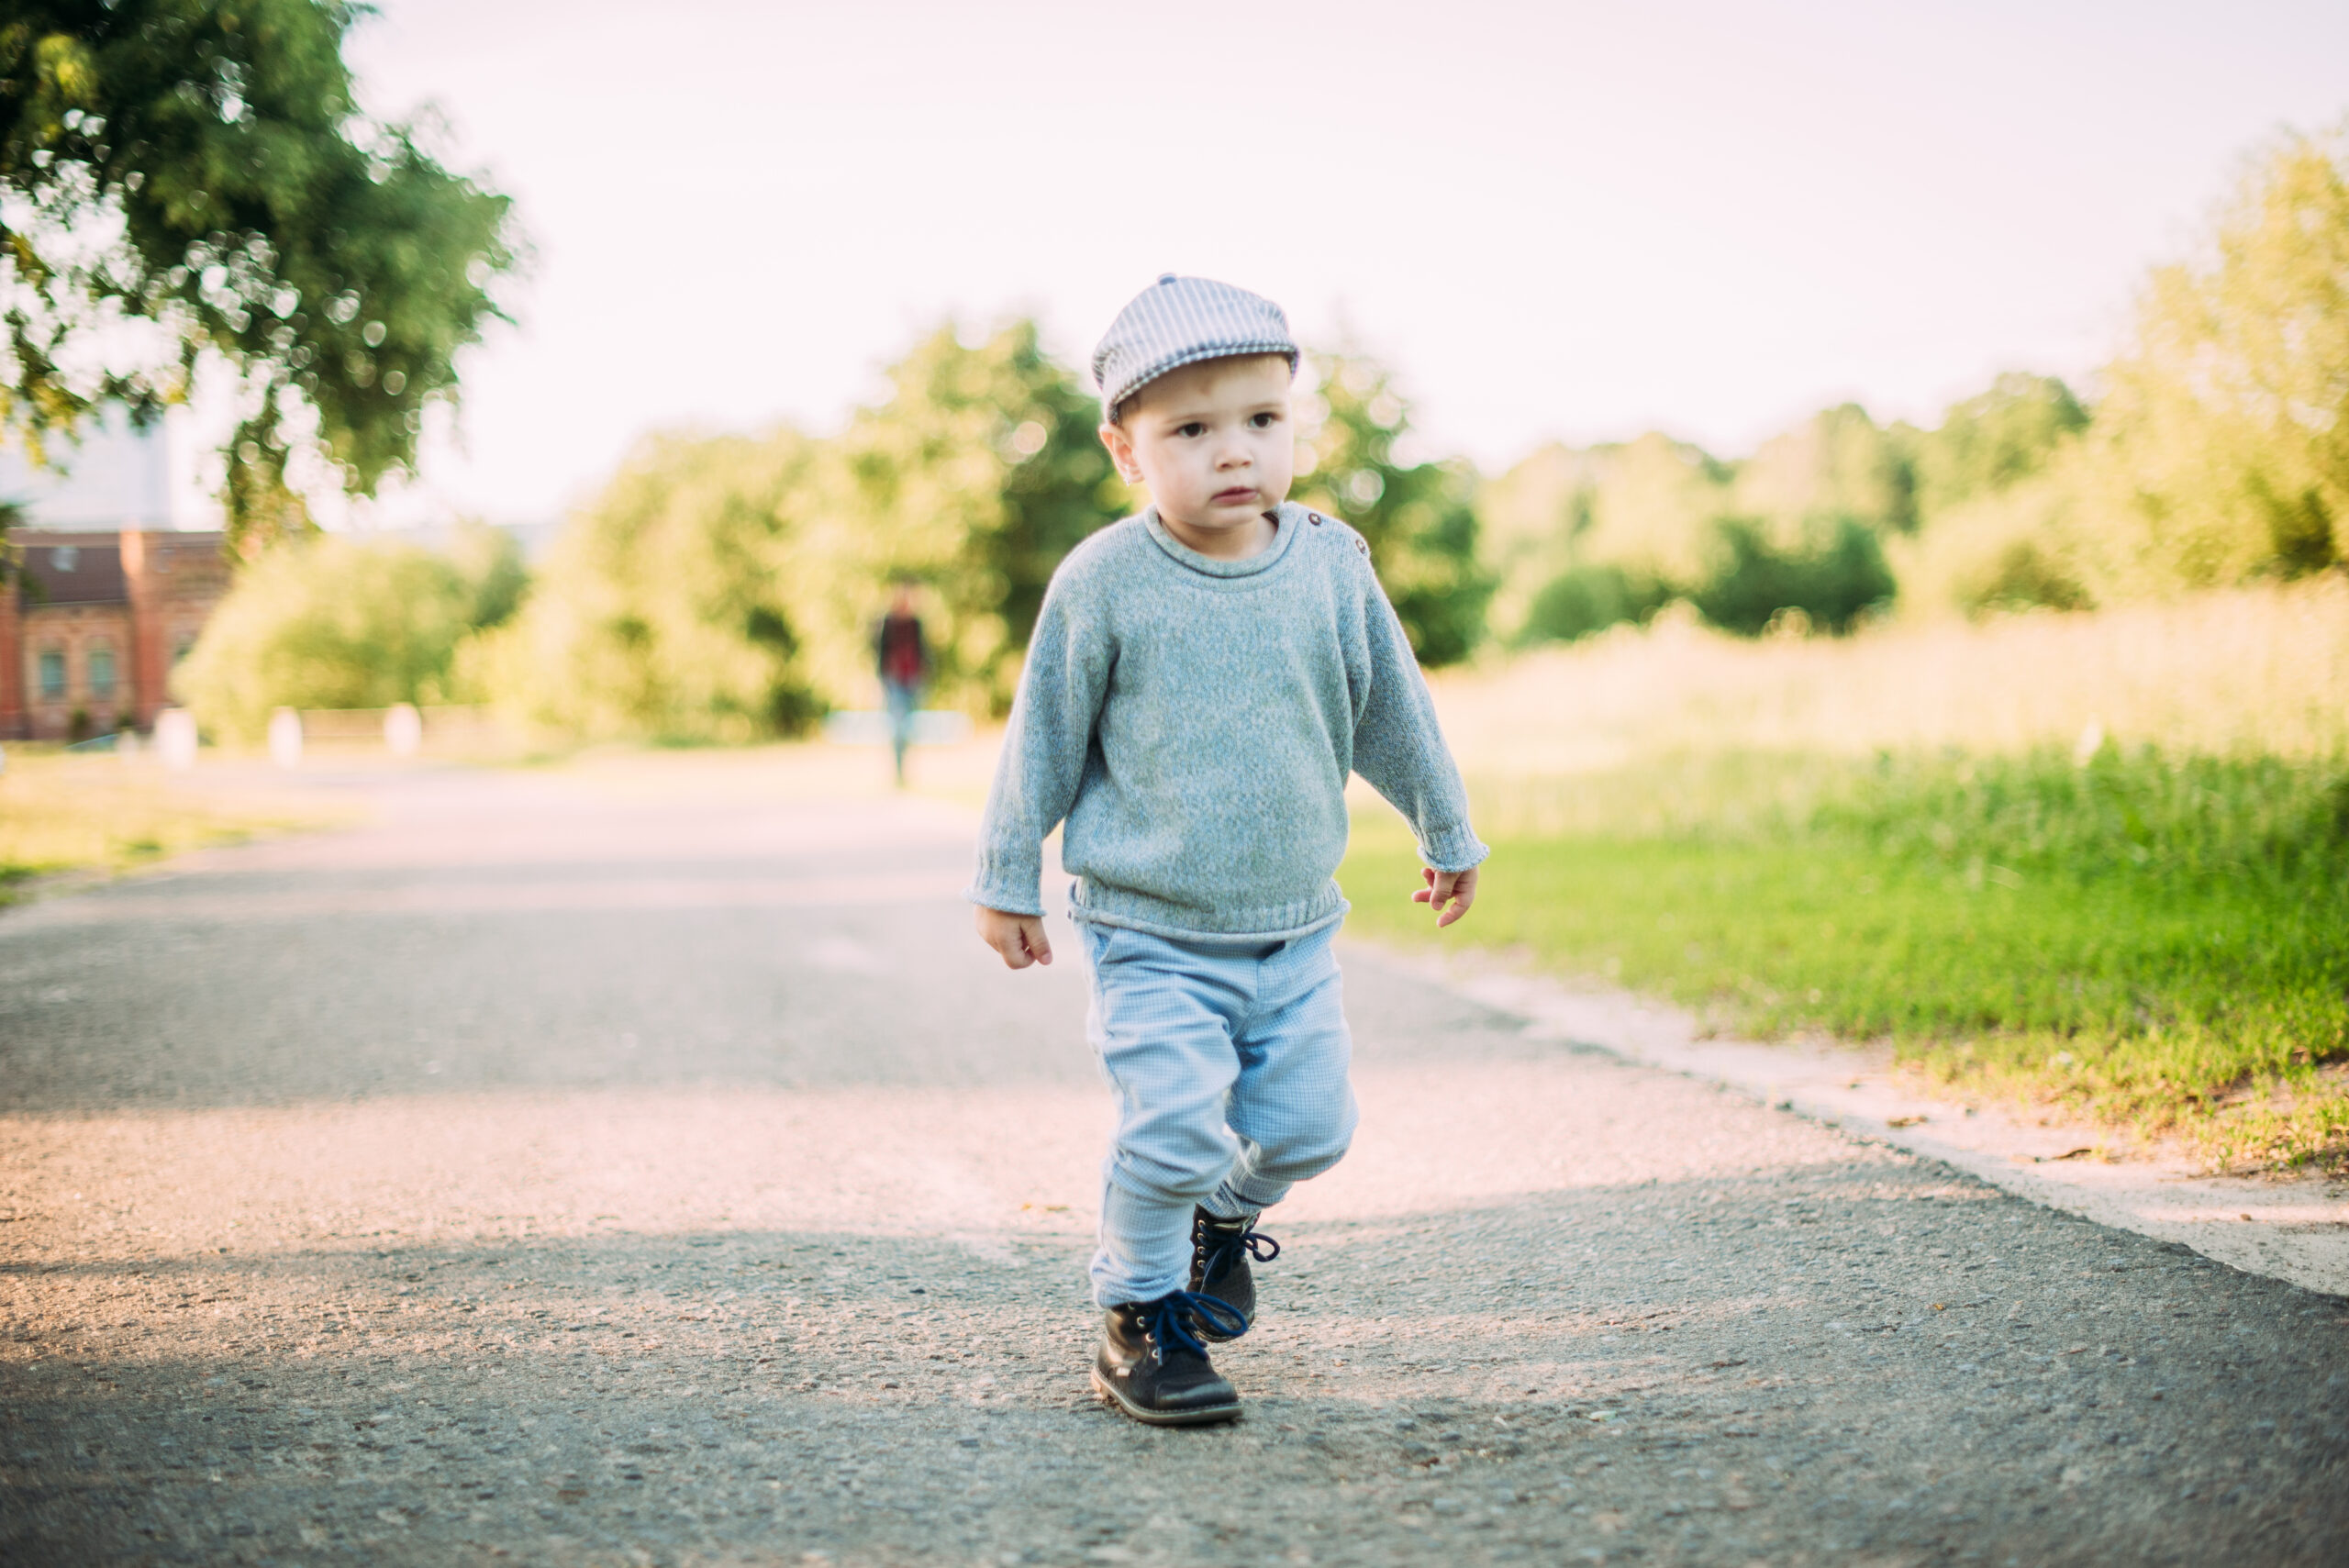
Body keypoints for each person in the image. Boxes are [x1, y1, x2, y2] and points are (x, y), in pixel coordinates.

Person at [967, 275, 1487, 1427]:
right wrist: (1007, 875)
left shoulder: (1329, 561)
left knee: (1311, 1128)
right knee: (1169, 1125)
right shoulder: (1104, 580)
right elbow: (1041, 735)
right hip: (1148, 925)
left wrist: (1445, 828)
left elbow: (1391, 708)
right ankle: (1138, 1320)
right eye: (1190, 430)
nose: (1233, 452)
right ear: (1126, 450)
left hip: (1295, 928)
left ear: (1293, 420)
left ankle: (1220, 1218)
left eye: (1260, 420)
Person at [874, 581, 929, 785]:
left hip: (912, 680)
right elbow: (881, 653)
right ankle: (898, 772)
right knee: (898, 727)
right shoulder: (888, 623)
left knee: (911, 728)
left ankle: (907, 769)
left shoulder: (916, 623)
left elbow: (922, 651)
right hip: (894, 681)